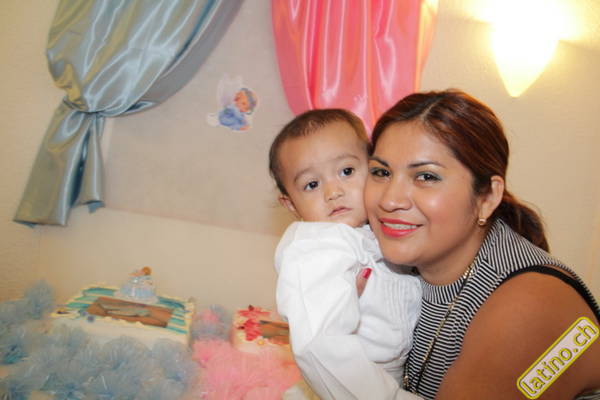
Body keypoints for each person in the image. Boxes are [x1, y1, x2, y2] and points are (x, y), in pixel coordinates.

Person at [362, 89, 600, 399]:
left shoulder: (529, 303)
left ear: (487, 197)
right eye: (381, 172)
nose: (390, 200)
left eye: (426, 177)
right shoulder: (387, 267)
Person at [269, 109, 423, 399]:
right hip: (353, 385)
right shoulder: (317, 246)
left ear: (375, 170)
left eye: (347, 171)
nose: (333, 191)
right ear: (291, 205)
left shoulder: (377, 230)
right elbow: (320, 345)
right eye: (312, 184)